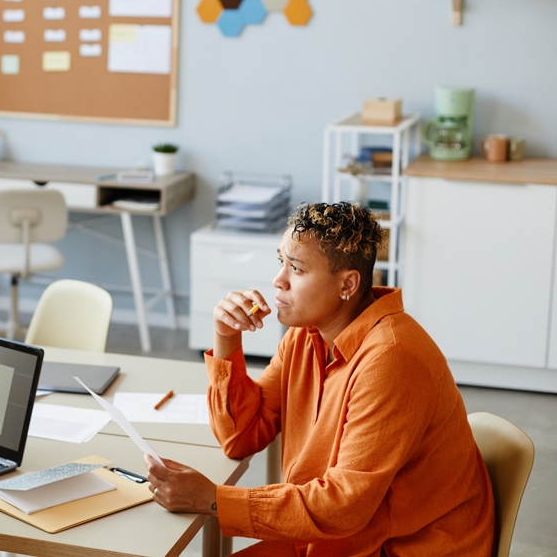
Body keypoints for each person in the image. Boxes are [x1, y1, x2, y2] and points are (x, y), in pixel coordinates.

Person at [144, 202, 494, 556]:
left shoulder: (392, 359)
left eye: (295, 268)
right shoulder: (306, 335)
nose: (278, 280)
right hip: (336, 539)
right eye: (280, 261)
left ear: (347, 284)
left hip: (400, 548)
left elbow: (344, 506)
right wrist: (226, 337)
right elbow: (241, 435)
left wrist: (214, 500)